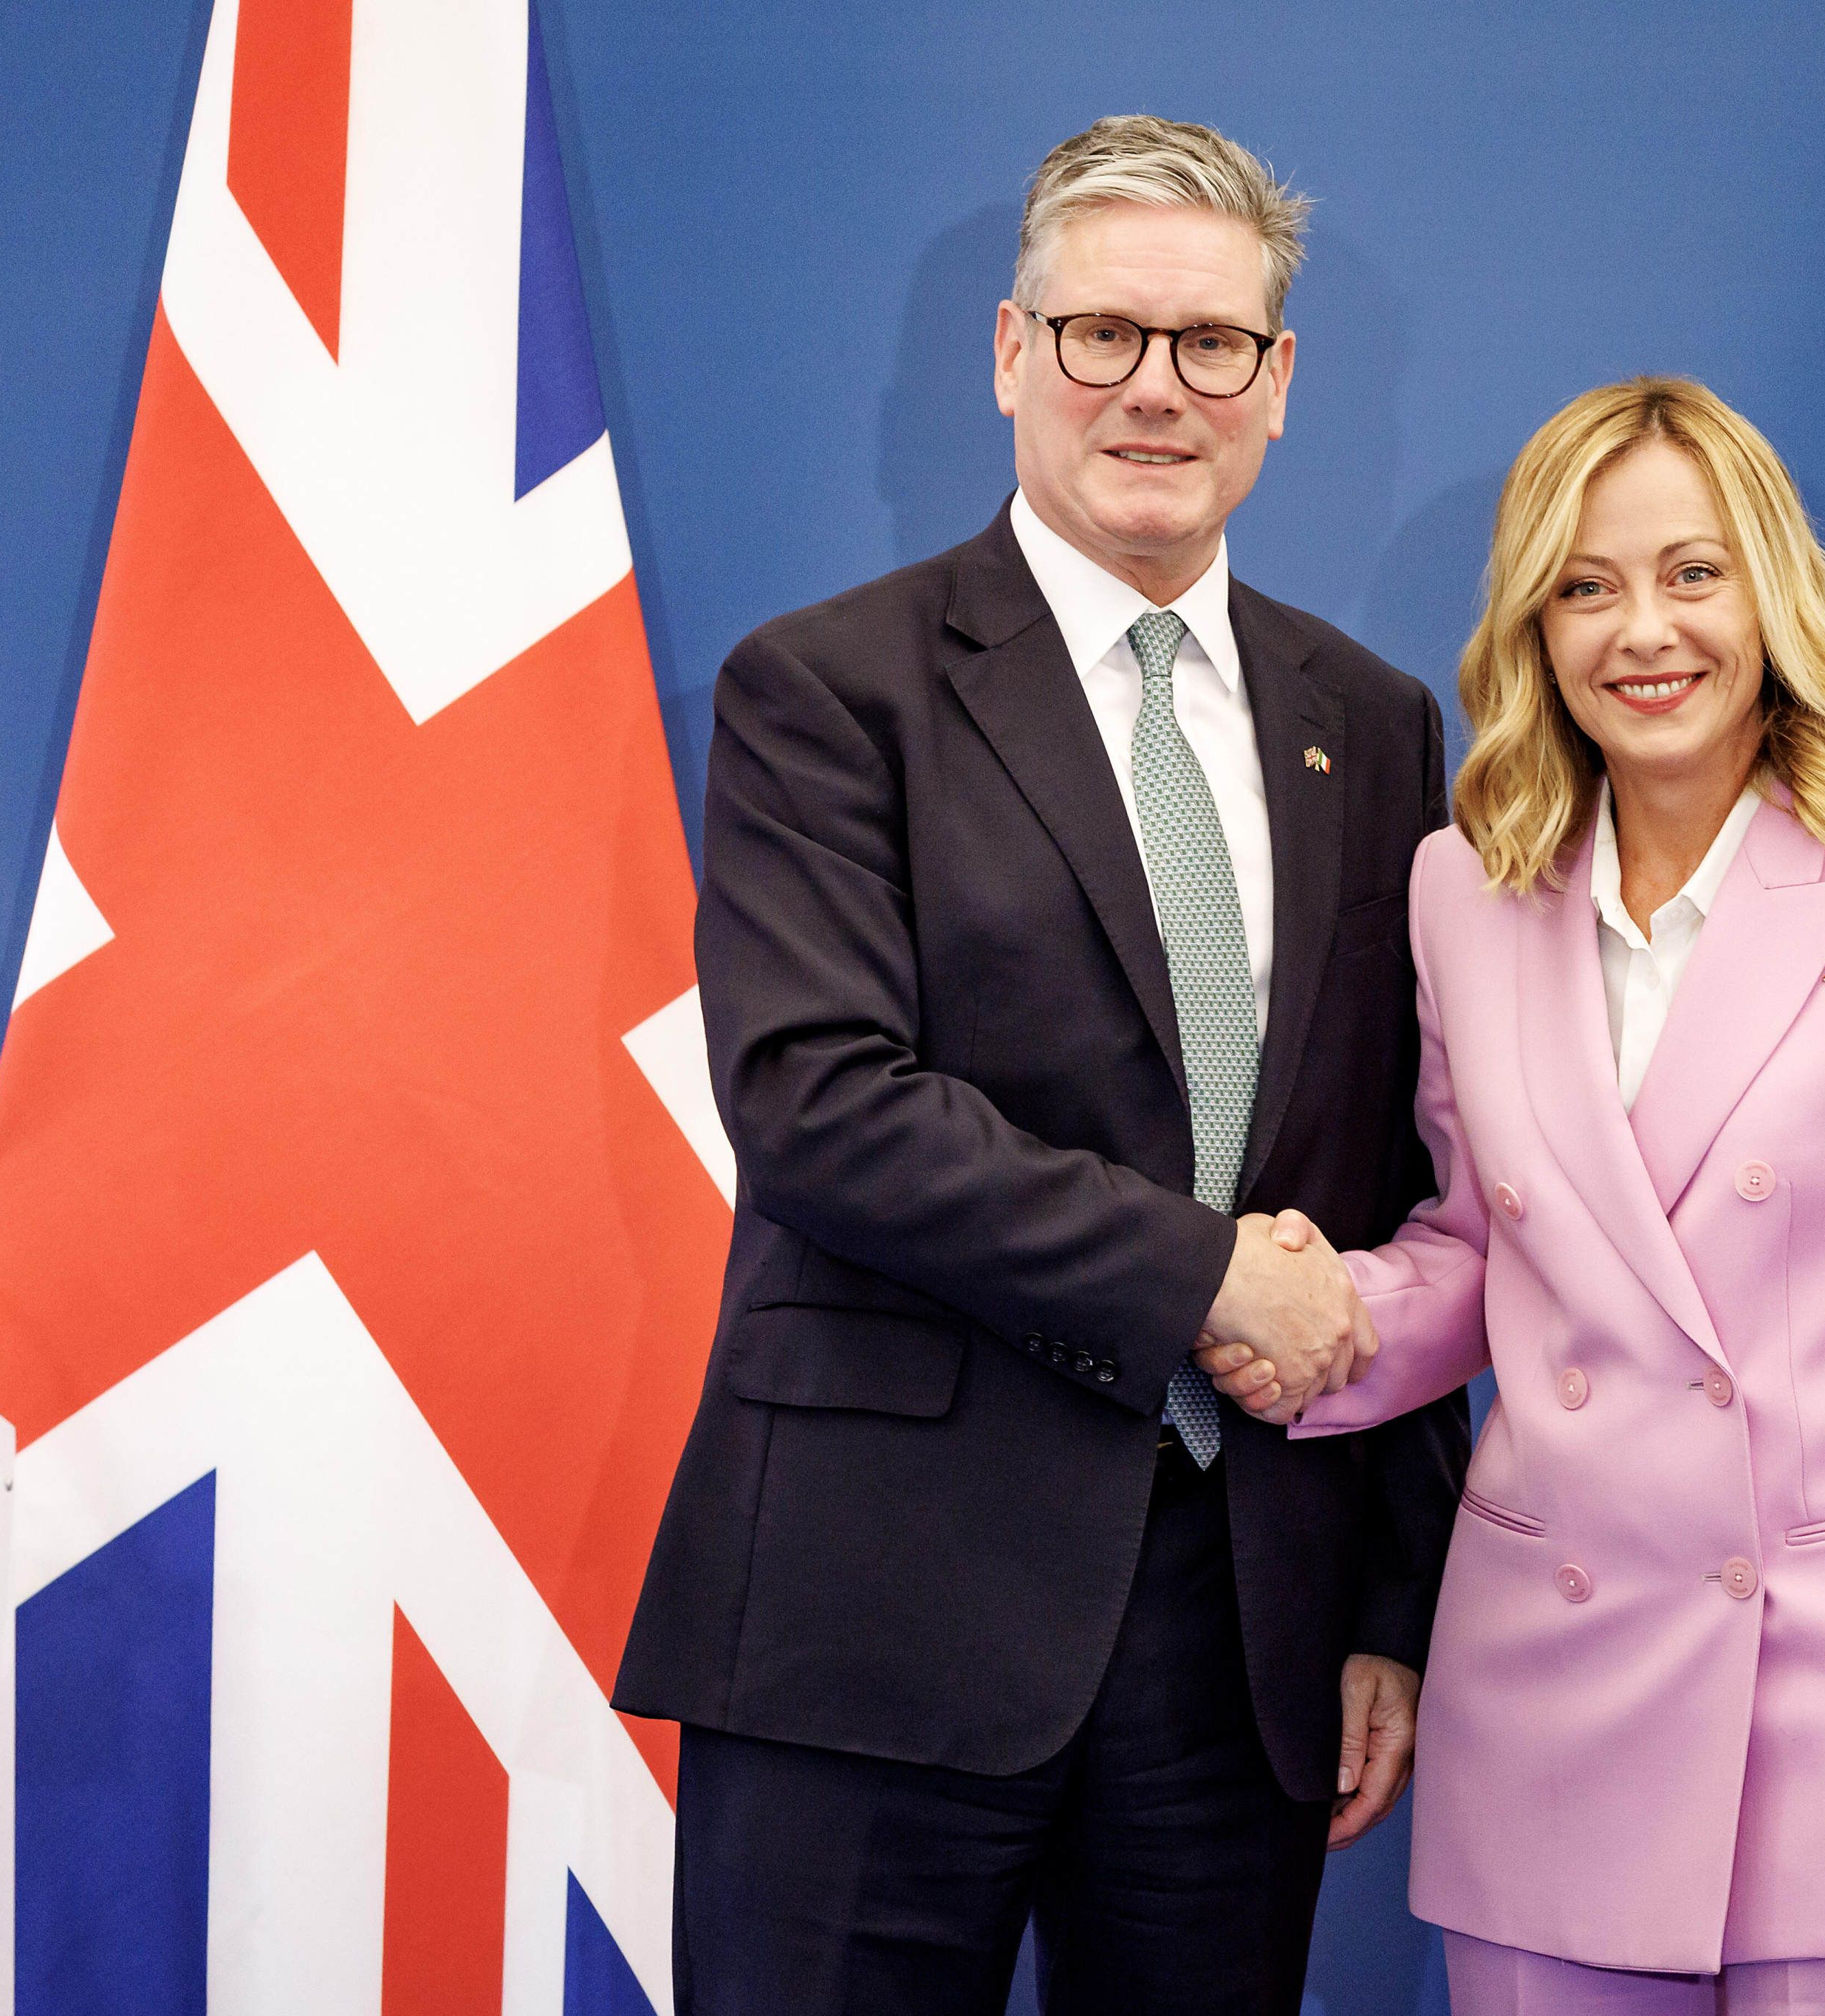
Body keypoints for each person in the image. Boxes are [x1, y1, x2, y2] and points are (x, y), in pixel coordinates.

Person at [614, 116, 1469, 2016]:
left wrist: (1385, 1604)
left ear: (1279, 382)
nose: (1153, 390)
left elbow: (1405, 1172)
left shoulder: (1377, 723)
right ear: (1010, 354)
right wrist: (1202, 1277)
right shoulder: (827, 689)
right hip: (874, 1615)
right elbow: (820, 1102)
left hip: (1236, 1631)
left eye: (1209, 345)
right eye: (1101, 335)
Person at [1199, 377, 1825, 2014]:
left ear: (1769, 590)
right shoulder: (1461, 897)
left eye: (1691, 574)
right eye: (1585, 584)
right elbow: (1486, 1253)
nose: (1645, 630)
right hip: (1552, 1690)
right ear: (1532, 629)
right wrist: (1317, 1321)